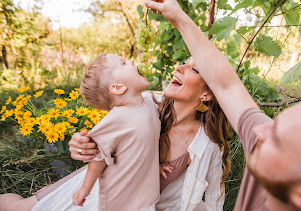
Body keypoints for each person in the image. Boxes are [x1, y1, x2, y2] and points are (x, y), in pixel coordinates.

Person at [139, 0, 301, 211]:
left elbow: (213, 196)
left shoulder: (211, 146)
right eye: (273, 123)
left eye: (276, 138)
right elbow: (226, 86)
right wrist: (179, 18)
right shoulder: (145, 106)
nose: (258, 132)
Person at [0, 55, 231, 210]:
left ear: (206, 95)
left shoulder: (207, 144)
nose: (179, 67)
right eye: (184, 62)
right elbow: (103, 138)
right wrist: (79, 143)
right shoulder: (145, 104)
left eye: (194, 69)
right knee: (24, 206)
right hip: (100, 192)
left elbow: (213, 195)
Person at [72, 53, 161, 210]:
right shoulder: (116, 119)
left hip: (144, 195)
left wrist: (157, 164)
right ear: (118, 87)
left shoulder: (149, 104)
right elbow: (98, 157)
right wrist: (86, 189)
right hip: (120, 200)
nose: (132, 61)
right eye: (124, 63)